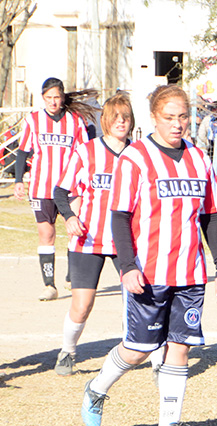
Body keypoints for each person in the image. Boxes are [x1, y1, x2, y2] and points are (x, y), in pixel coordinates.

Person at [80, 85, 217, 426]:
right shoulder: (135, 158)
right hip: (147, 273)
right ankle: (97, 389)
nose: (178, 124)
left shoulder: (199, 159)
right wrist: (127, 266)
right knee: (139, 349)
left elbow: (211, 216)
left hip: (190, 272)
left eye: (183, 117)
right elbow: (119, 217)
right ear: (154, 118)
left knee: (181, 346)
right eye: (170, 117)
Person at [51, 92, 135, 377]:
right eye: (116, 117)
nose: (121, 122)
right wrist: (70, 216)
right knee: (83, 304)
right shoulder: (87, 151)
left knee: (135, 299)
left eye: (126, 117)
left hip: (126, 240)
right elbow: (60, 192)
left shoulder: (139, 154)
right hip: (88, 239)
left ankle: (140, 352)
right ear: (106, 121)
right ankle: (67, 351)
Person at [13, 77, 96, 301]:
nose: (53, 101)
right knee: (46, 234)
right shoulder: (33, 120)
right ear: (43, 98)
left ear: (62, 97)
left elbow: (85, 153)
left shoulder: (75, 120)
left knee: (76, 230)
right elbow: (23, 151)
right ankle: (49, 285)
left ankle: (73, 276)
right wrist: (19, 180)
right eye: (49, 98)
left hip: (71, 188)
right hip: (42, 187)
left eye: (56, 97)